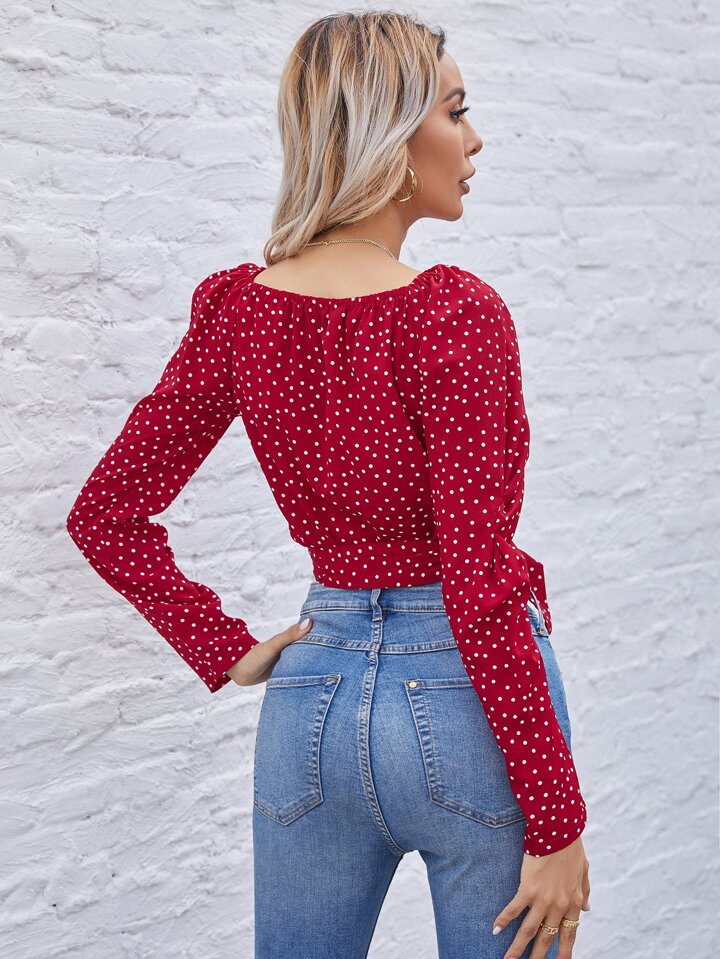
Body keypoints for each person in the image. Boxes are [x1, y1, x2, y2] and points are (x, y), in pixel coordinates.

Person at [66, 11, 591, 959]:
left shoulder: (240, 310)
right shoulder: (453, 315)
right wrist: (556, 820)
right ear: (390, 134)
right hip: (463, 700)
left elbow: (106, 513)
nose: (474, 139)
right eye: (455, 111)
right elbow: (478, 581)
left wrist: (226, 649)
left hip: (311, 695)